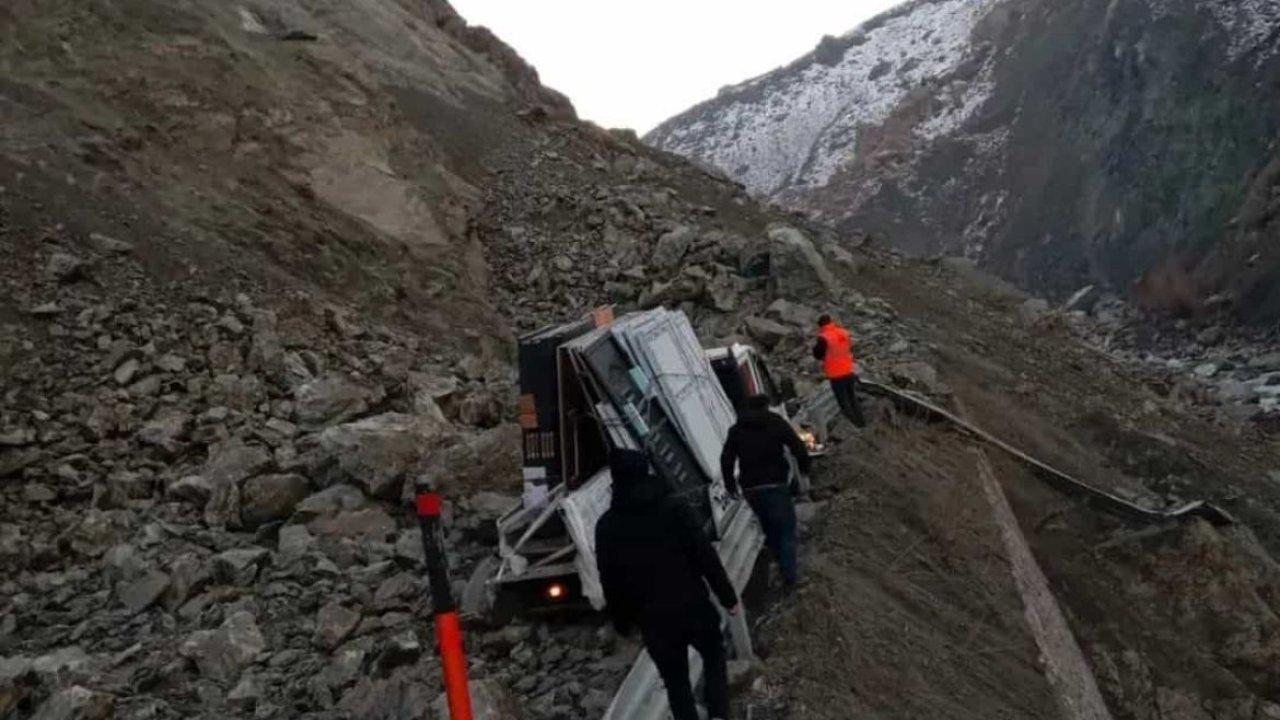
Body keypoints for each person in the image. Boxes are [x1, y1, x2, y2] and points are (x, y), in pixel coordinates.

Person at [596, 449, 738, 720]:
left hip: (653, 621)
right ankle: (719, 713)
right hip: (693, 605)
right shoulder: (673, 508)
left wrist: (623, 623)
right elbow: (704, 555)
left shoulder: (607, 527)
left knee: (676, 684)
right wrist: (728, 597)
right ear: (646, 472)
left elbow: (610, 581)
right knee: (713, 654)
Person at [720, 394, 811, 588]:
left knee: (769, 530)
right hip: (775, 483)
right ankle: (790, 577)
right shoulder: (774, 422)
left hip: (751, 488)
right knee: (786, 529)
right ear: (766, 406)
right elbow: (797, 446)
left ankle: (780, 567)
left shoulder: (736, 430)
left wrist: (730, 485)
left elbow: (726, 459)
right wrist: (804, 470)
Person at [813, 313, 866, 427]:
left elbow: (817, 354)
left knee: (844, 403)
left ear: (821, 325)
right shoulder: (844, 333)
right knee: (853, 399)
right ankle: (862, 424)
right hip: (848, 371)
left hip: (836, 375)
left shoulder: (824, 337)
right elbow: (848, 348)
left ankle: (852, 428)